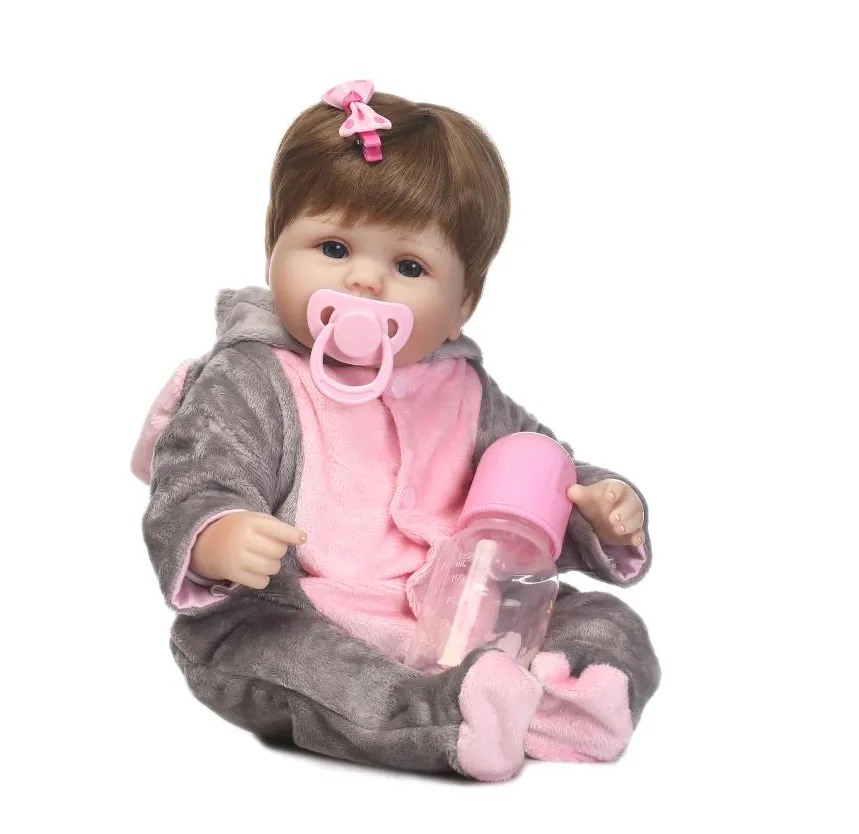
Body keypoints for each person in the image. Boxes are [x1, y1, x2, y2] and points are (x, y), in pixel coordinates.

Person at [135, 79, 661, 782]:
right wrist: (219, 534)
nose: (364, 282)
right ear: (273, 251)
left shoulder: (464, 391)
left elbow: (538, 473)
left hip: (460, 610)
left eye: (408, 266)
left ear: (463, 302)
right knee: (286, 654)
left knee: (602, 619)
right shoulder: (252, 377)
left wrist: (594, 503)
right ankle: (442, 718)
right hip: (302, 609)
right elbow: (196, 476)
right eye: (332, 247)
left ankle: (561, 702)